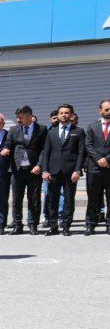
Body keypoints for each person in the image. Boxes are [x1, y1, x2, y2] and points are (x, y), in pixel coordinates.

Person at [39, 103, 84, 236]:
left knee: (69, 200)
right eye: (61, 113)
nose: (64, 115)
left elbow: (81, 152)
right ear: (57, 115)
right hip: (53, 171)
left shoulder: (78, 131)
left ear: (71, 115)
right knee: (52, 199)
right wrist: (44, 170)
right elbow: (46, 152)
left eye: (67, 113)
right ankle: (53, 226)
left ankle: (66, 226)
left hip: (70, 172)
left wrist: (78, 170)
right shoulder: (51, 132)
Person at [8, 105, 46, 235]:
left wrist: (39, 165)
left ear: (29, 116)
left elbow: (44, 150)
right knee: (17, 199)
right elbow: (9, 145)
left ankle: (32, 224)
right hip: (17, 170)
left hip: (33, 170)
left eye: (21, 117)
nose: (18, 120)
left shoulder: (41, 129)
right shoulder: (13, 130)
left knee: (34, 198)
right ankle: (17, 224)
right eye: (17, 118)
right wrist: (6, 149)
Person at [82, 98, 110, 235]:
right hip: (95, 168)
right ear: (100, 111)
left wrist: (107, 159)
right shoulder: (92, 126)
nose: (109, 112)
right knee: (93, 198)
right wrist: (99, 159)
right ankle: (90, 224)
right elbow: (88, 145)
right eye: (106, 109)